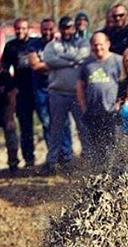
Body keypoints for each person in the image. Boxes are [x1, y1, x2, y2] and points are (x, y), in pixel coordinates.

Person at [43, 16, 91, 171]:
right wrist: (72, 62)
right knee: (56, 129)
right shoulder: (53, 45)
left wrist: (63, 59)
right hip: (57, 93)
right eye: (64, 27)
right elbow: (49, 60)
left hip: (78, 94)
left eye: (69, 27)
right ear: (60, 29)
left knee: (83, 128)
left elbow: (83, 56)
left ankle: (89, 160)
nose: (67, 30)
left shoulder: (82, 42)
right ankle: (52, 162)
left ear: (74, 28)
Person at [77, 32, 122, 160]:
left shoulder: (118, 60)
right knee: (97, 147)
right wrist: (84, 108)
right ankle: (99, 175)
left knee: (114, 145)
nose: (98, 48)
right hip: (93, 113)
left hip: (112, 112)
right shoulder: (86, 64)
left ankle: (115, 174)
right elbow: (80, 87)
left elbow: (127, 83)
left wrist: (121, 102)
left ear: (108, 44)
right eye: (95, 45)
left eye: (101, 45)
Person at [2, 18, 40, 169]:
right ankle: (29, 159)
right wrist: (12, 87)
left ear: (28, 29)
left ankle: (55, 158)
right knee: (26, 127)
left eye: (23, 28)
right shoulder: (10, 46)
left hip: (38, 89)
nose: (20, 31)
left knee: (47, 123)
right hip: (21, 91)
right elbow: (4, 70)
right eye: (17, 29)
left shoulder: (35, 43)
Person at [28, 18, 56, 150]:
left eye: (50, 29)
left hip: (59, 89)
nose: (48, 32)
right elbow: (34, 65)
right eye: (45, 29)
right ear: (41, 30)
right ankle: (53, 155)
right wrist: (56, 64)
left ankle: (66, 156)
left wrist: (43, 64)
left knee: (63, 123)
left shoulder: (60, 44)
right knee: (46, 123)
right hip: (41, 90)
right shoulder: (34, 44)